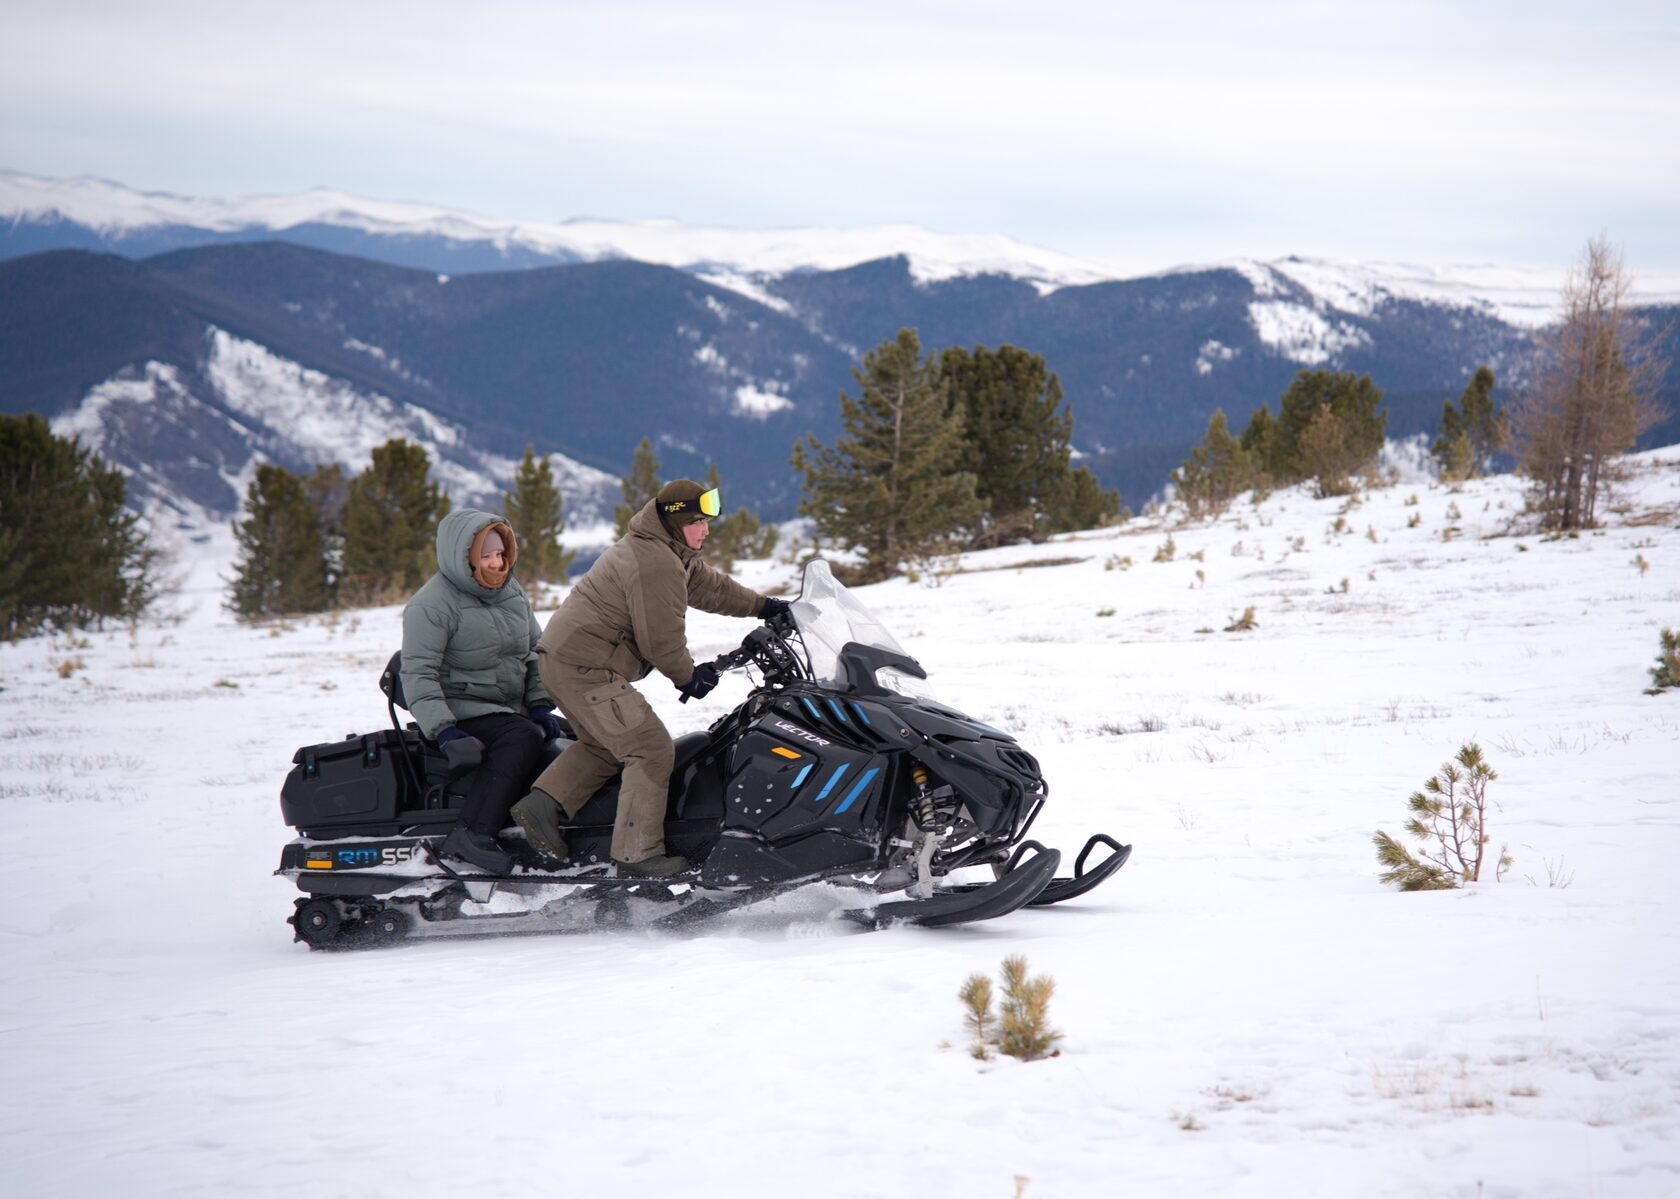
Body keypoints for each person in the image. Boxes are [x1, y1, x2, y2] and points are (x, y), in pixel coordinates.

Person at [512, 479, 791, 878]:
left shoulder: (668, 549)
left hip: (566, 661)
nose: (706, 530)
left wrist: (764, 606)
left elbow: (712, 588)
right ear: (676, 522)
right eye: (697, 522)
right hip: (584, 668)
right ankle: (637, 857)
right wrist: (688, 678)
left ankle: (541, 805)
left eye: (707, 521)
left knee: (605, 746)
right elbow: (660, 639)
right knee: (650, 749)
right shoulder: (655, 562)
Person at [400, 510, 566, 874]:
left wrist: (540, 703)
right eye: (486, 556)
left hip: (508, 708)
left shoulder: (511, 592)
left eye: (501, 554)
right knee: (522, 737)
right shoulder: (431, 605)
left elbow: (535, 651)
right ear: (463, 558)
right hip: (462, 712)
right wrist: (443, 730)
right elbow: (417, 673)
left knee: (573, 736)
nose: (496, 563)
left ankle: (560, 828)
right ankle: (472, 834)